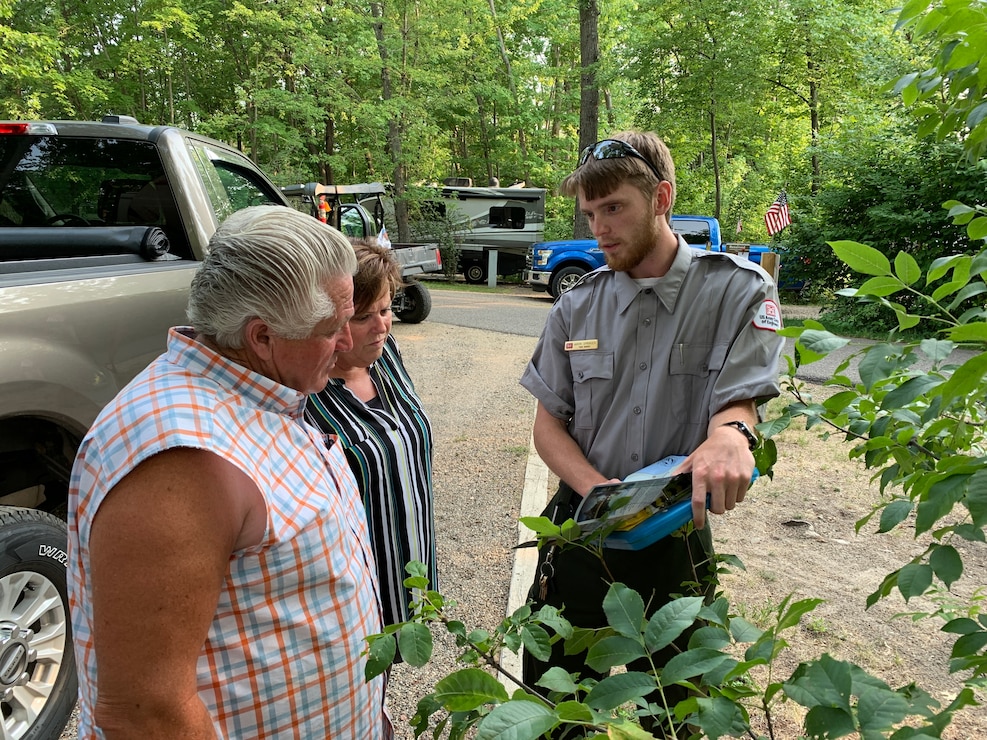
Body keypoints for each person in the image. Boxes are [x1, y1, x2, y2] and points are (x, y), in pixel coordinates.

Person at [67, 206, 391, 739]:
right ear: (261, 337)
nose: (348, 345)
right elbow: (146, 712)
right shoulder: (182, 455)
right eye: (333, 328)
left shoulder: (262, 393)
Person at [520, 132, 784, 722]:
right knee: (555, 705)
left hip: (672, 534)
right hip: (583, 528)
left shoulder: (736, 290)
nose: (599, 229)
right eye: (590, 214)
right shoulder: (576, 306)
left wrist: (729, 434)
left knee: (676, 711)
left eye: (614, 208)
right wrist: (602, 494)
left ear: (661, 197)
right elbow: (547, 427)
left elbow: (738, 402)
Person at [307, 239, 436, 628]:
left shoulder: (386, 356)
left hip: (411, 559)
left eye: (386, 309)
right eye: (362, 317)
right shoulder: (306, 392)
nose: (381, 326)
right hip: (352, 590)